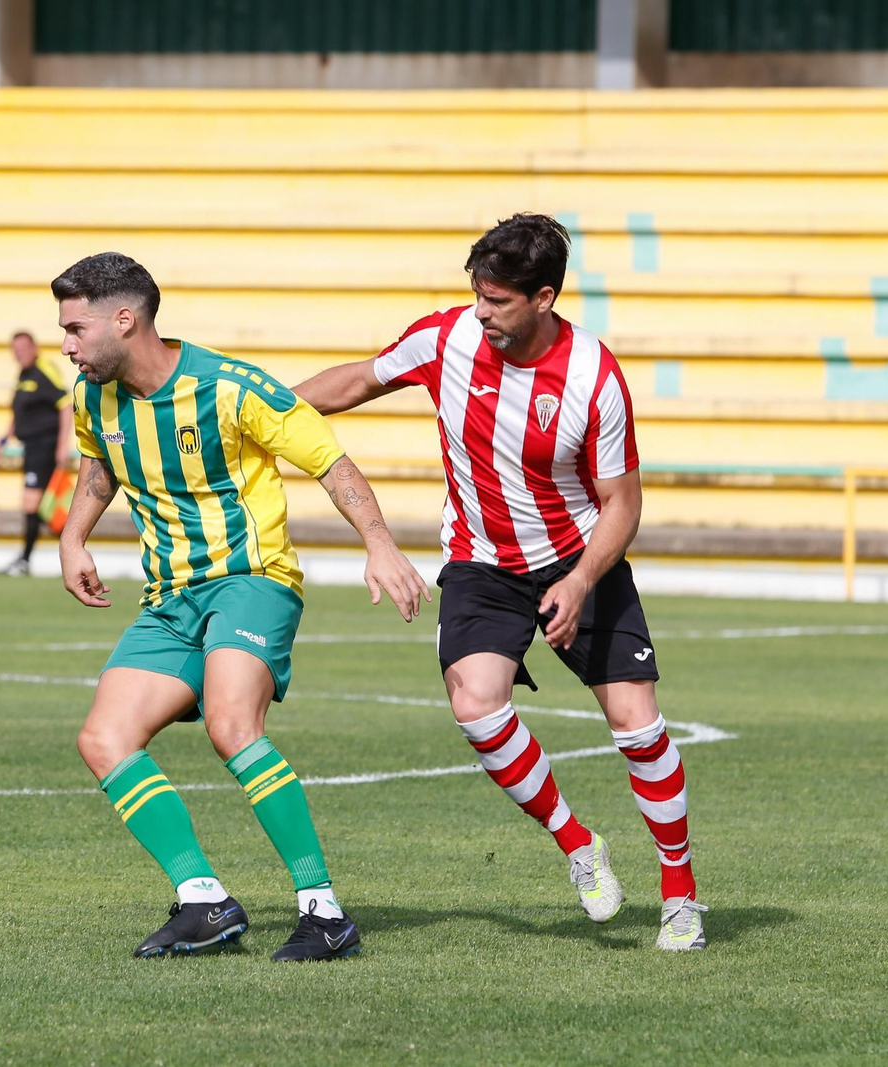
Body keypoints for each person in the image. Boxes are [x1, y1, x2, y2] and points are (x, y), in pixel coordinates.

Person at [292, 213, 706, 951]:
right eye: (477, 295)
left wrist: (579, 583)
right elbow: (357, 379)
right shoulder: (447, 337)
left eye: (498, 300)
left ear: (543, 298)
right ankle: (578, 844)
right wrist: (257, 414)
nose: (481, 312)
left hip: (580, 559)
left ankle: (680, 892)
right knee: (476, 705)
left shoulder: (593, 378)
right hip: (482, 562)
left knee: (638, 725)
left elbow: (624, 503)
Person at [53, 252, 430, 962]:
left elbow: (332, 462)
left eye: (75, 328)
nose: (66, 344)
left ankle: (323, 911)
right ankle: (205, 901)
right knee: (103, 739)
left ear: (125, 319)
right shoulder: (91, 397)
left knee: (231, 723)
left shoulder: (230, 387)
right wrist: (74, 533)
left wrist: (379, 542)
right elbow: (98, 463)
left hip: (251, 578)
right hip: (169, 597)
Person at [0, 330, 74, 575]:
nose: (20, 354)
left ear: (35, 348)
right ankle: (70, 553)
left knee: (32, 503)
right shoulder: (23, 375)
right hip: (31, 447)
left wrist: (62, 445)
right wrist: (3, 441)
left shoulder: (44, 370)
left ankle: (26, 560)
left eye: (24, 349)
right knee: (42, 507)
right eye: (15, 350)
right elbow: (19, 413)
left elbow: (66, 405)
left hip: (45, 444)